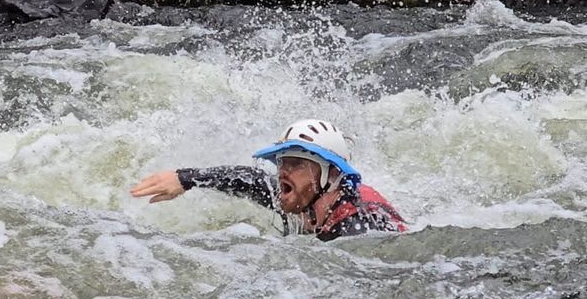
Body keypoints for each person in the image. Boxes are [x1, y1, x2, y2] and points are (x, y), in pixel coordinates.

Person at [129, 119, 406, 241]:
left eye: (296, 163)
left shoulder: (357, 230)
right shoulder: (306, 192)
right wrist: (184, 178)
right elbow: (247, 180)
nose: (283, 171)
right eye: (281, 161)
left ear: (330, 174)